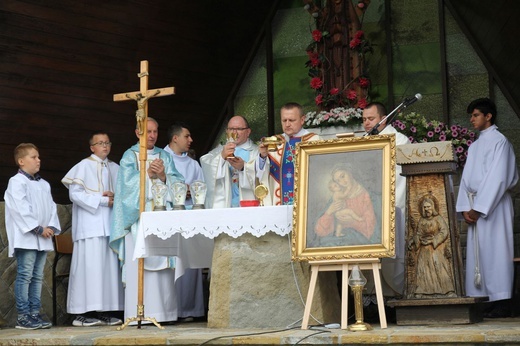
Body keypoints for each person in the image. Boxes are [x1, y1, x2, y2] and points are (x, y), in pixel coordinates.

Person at [110, 117, 184, 324]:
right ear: (137, 133)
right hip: (139, 219)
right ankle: (138, 315)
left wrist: (163, 177)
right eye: (148, 132)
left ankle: (164, 314)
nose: (152, 136)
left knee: (162, 267)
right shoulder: (129, 156)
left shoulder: (164, 156)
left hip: (162, 219)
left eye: (155, 131)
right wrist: (147, 174)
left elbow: (178, 183)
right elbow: (126, 189)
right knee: (139, 266)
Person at [456, 98, 518, 318]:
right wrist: (465, 206)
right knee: (479, 254)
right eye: (471, 116)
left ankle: (501, 300)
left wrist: (479, 208)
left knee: (497, 251)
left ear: (488, 116)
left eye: (475, 115)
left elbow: (498, 178)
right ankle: (483, 300)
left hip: (494, 206)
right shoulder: (475, 145)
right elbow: (466, 179)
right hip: (475, 206)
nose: (471, 120)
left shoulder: (500, 142)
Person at [61, 132, 124, 327]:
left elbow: (124, 193)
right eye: (100, 143)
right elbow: (76, 194)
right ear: (92, 147)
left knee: (107, 271)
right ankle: (82, 313)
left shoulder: (116, 168)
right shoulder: (82, 166)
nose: (105, 146)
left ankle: (105, 310)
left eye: (107, 142)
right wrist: (104, 200)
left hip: (110, 227)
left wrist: (115, 196)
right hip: (90, 226)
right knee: (89, 270)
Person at [5, 143, 61, 330]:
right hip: (27, 237)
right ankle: (23, 316)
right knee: (25, 276)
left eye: (38, 157)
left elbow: (52, 207)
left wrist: (51, 226)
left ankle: (34, 314)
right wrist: (38, 229)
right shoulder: (16, 182)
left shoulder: (44, 184)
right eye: (34, 157)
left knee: (37, 277)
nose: (38, 160)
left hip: (43, 237)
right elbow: (19, 209)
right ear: (21, 161)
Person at [363, 101, 411, 295]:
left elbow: (396, 173)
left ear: (383, 118)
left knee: (392, 251)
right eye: (364, 119)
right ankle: (370, 297)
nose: (366, 123)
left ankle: (395, 295)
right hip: (368, 206)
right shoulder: (364, 138)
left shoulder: (399, 140)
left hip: (391, 202)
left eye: (371, 118)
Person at [164, 122, 206, 321]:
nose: (191, 140)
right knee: (173, 262)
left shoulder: (193, 163)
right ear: (175, 138)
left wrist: (194, 191)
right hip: (170, 215)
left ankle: (190, 308)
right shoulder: (161, 158)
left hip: (190, 216)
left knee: (190, 264)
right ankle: (170, 309)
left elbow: (202, 188)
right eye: (187, 136)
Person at [258, 102, 320, 205]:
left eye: (291, 120)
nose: (287, 124)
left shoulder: (314, 140)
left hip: (306, 202)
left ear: (302, 120)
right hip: (279, 203)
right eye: (284, 120)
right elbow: (260, 175)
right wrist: (262, 156)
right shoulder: (274, 142)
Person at [200, 115, 260, 208]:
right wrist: (221, 158)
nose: (234, 132)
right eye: (231, 129)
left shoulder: (257, 152)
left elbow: (263, 176)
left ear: (248, 132)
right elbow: (206, 163)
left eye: (239, 129)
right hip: (225, 205)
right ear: (227, 131)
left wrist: (244, 168)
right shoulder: (219, 151)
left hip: (247, 205)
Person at [408, 195, 456, 298]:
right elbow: (418, 233)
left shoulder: (438, 218)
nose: (427, 209)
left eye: (429, 207)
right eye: (425, 207)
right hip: (424, 249)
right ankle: (422, 291)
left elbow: (444, 231)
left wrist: (434, 240)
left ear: (433, 207)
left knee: (439, 266)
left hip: (436, 248)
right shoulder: (421, 220)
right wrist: (414, 240)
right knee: (423, 268)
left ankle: (447, 291)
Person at [314, 166, 376, 245]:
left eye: (343, 176)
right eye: (338, 181)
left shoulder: (367, 196)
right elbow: (320, 231)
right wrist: (329, 212)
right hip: (338, 241)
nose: (342, 181)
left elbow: (371, 230)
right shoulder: (338, 197)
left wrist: (353, 222)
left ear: (350, 173)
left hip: (357, 241)